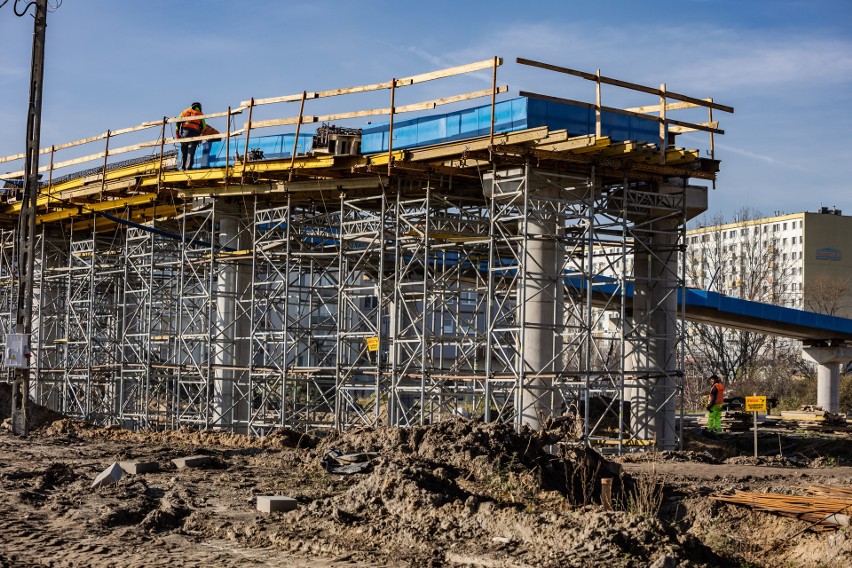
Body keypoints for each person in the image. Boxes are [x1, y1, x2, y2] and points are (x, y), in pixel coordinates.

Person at [176, 102, 206, 170]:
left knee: (184, 151)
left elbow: (177, 122)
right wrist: (199, 134)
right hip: (194, 135)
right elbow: (204, 126)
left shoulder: (184, 112)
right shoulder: (200, 114)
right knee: (191, 151)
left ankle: (183, 167)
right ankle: (188, 167)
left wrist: (177, 134)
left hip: (184, 134)